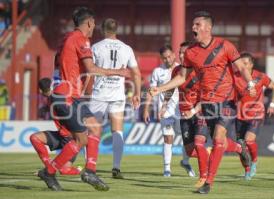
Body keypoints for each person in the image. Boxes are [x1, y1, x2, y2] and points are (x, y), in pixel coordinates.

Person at [149, 11, 256, 194]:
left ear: (208, 27)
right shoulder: (191, 52)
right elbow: (182, 77)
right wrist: (159, 89)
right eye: (193, 25)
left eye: (197, 25)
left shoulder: (225, 45)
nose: (193, 28)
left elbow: (241, 67)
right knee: (203, 144)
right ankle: (238, 147)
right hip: (206, 103)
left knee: (217, 139)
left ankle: (208, 182)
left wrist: (251, 83)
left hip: (226, 100)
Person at [36, 7, 130, 191]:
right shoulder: (81, 39)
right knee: (81, 139)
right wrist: (118, 72)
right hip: (66, 96)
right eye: (93, 24)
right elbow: (91, 68)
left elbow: (63, 64)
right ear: (89, 23)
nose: (94, 27)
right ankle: (58, 171)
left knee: (93, 129)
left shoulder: (66, 39)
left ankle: (85, 171)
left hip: (68, 94)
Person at [163, 42, 250, 189]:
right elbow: (172, 87)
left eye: (185, 53)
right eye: (181, 53)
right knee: (191, 151)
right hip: (184, 114)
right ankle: (237, 148)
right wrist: (165, 102)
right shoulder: (177, 70)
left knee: (199, 143)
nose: (183, 55)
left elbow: (206, 96)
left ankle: (204, 178)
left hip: (201, 111)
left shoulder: (200, 71)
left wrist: (194, 110)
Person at [89, 18, 141, 179]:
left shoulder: (96, 47)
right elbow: (136, 73)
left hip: (99, 94)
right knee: (117, 130)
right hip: (117, 94)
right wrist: (137, 93)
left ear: (102, 30)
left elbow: (91, 70)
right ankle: (116, 168)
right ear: (116, 30)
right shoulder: (127, 49)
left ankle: (90, 166)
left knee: (92, 130)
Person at [143, 44, 195, 177]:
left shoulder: (182, 68)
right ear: (161, 59)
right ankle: (167, 168)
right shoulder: (157, 72)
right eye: (164, 58)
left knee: (186, 139)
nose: (167, 59)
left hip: (181, 108)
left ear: (173, 54)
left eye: (169, 56)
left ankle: (185, 162)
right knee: (168, 138)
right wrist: (146, 109)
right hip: (165, 110)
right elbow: (151, 91)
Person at [234, 52, 274, 180]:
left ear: (252, 64)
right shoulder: (235, 76)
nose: (242, 66)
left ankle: (254, 161)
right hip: (240, 115)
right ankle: (247, 170)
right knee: (240, 146)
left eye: (245, 63)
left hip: (256, 114)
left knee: (248, 140)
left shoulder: (260, 77)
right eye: (241, 63)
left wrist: (271, 104)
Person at [30, 78, 81, 176]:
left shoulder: (57, 99)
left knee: (64, 170)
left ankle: (81, 170)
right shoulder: (51, 99)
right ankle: (49, 167)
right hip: (61, 135)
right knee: (35, 138)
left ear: (41, 90)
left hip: (71, 139)